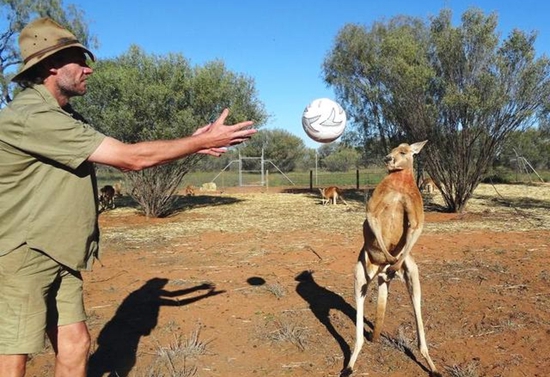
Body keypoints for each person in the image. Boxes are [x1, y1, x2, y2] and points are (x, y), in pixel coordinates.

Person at [0, 17, 256, 377]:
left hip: (58, 251)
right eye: (79, 60)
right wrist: (202, 141)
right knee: (13, 353)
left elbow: (122, 157)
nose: (88, 69)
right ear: (51, 65)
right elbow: (131, 159)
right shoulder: (32, 115)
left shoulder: (65, 116)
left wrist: (189, 145)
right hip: (24, 253)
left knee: (76, 344)